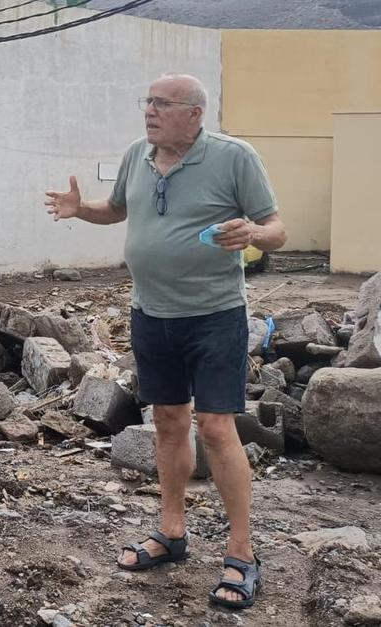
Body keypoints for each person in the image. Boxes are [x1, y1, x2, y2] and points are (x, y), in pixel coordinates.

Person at [45, 74, 287, 610]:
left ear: (194, 114)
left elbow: (278, 228)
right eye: (147, 102)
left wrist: (252, 234)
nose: (149, 112)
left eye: (161, 104)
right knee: (169, 423)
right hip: (150, 314)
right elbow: (118, 210)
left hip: (215, 316)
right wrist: (80, 209)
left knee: (218, 428)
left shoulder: (234, 157)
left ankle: (242, 551)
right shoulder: (138, 153)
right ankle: (172, 531)